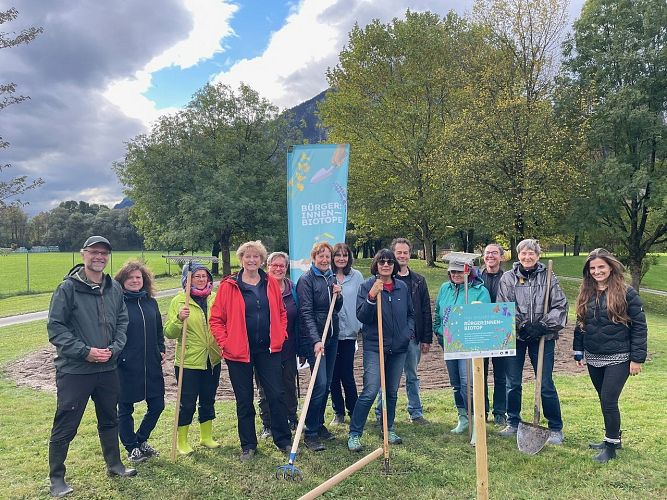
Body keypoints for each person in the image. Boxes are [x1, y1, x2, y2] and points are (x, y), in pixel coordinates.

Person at [47, 236, 134, 498]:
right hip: (75, 371)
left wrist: (114, 349)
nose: (99, 257)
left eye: (104, 253)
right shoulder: (67, 289)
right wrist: (85, 352)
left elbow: (122, 321)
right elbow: (56, 328)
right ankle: (57, 479)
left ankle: (114, 465)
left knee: (110, 417)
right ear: (83, 254)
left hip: (107, 369)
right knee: (66, 423)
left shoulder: (114, 288)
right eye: (94, 252)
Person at [209, 241, 292, 461]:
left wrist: (281, 334)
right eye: (248, 256)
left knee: (276, 394)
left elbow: (282, 313)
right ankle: (248, 445)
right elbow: (216, 319)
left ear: (262, 260)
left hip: (268, 350)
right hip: (238, 353)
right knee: (244, 399)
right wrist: (226, 343)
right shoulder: (229, 285)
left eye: (256, 257)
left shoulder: (271, 283)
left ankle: (282, 439)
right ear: (241, 259)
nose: (252, 260)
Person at [573, 248, 647, 463]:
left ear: (610, 267)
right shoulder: (586, 291)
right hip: (594, 355)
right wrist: (578, 350)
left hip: (620, 356)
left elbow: (639, 327)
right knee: (604, 399)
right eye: (593, 268)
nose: (597, 271)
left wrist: (637, 358)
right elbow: (580, 323)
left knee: (608, 400)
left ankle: (611, 445)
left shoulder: (627, 292)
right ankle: (613, 437)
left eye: (601, 267)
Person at [497, 238, 568, 444]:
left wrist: (542, 326)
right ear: (518, 255)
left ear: (538, 255)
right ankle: (513, 421)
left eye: (531, 253)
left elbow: (561, 307)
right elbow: (504, 306)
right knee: (513, 382)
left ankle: (555, 427)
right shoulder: (508, 278)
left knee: (545, 382)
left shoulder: (549, 277)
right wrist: (521, 326)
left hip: (543, 337)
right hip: (517, 337)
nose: (527, 257)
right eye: (523, 253)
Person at [348, 249, 415, 452]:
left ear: (394, 266)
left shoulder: (401, 287)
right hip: (375, 347)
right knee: (370, 391)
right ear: (376, 265)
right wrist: (371, 296)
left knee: (392, 392)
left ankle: (388, 427)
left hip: (399, 348)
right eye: (382, 262)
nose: (386, 265)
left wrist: (407, 332)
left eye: (389, 262)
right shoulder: (367, 286)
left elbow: (411, 314)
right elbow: (362, 316)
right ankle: (354, 433)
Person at [164, 262, 221, 455]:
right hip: (188, 360)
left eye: (204, 276)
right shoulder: (179, 301)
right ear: (187, 279)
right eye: (197, 276)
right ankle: (182, 440)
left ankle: (206, 437)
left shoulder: (215, 298)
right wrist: (179, 319)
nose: (201, 279)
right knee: (187, 402)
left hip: (212, 358)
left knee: (208, 399)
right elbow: (169, 333)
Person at [375, 237, 433, 425]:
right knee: (386, 377)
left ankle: (415, 412)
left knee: (412, 375)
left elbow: (425, 310)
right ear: (393, 254)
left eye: (405, 252)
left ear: (410, 254)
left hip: (413, 337)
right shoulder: (382, 280)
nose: (402, 256)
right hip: (389, 338)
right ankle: (380, 412)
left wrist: (426, 338)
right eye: (398, 252)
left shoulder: (418, 280)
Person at [113, 260, 165, 463]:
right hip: (126, 365)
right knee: (125, 408)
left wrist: (160, 348)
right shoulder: (118, 304)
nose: (135, 281)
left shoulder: (150, 301)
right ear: (122, 280)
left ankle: (141, 440)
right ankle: (131, 447)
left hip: (151, 363)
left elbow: (158, 329)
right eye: (131, 277)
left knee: (158, 405)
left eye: (138, 277)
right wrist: (119, 355)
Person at [434, 256, 490, 438]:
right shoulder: (445, 288)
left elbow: (486, 315)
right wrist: (438, 331)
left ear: (469, 271)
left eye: (460, 271)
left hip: (470, 344)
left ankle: (476, 421)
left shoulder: (480, 291)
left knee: (468, 383)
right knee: (456, 383)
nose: (456, 275)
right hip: (449, 342)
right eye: (453, 271)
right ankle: (463, 418)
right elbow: (438, 312)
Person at [296, 242, 343, 451]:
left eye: (327, 256)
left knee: (328, 382)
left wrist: (338, 295)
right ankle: (310, 431)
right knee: (320, 383)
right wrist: (316, 340)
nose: (324, 260)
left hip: (332, 337)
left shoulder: (331, 277)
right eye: (320, 256)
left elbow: (336, 308)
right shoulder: (306, 280)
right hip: (315, 339)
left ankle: (319, 423)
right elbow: (305, 313)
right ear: (314, 257)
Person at [256, 251, 300, 438]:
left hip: (288, 348)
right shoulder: (260, 287)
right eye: (275, 265)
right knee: (266, 389)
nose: (279, 268)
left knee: (288, 385)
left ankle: (291, 417)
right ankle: (268, 423)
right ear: (268, 267)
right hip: (264, 349)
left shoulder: (293, 288)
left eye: (282, 266)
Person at [329, 242, 364, 426]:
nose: (341, 258)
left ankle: (354, 411)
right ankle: (338, 412)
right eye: (338, 255)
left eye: (344, 255)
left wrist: (359, 324)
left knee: (347, 375)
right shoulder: (327, 276)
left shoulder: (356, 276)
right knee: (333, 376)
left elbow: (362, 300)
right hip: (332, 334)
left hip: (349, 334)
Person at [480, 243, 508, 425]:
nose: (491, 256)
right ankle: (482, 410)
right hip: (480, 332)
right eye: (487, 253)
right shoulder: (475, 277)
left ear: (501, 257)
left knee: (501, 375)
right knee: (480, 373)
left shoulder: (508, 277)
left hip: (501, 332)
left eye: (494, 253)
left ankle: (500, 412)